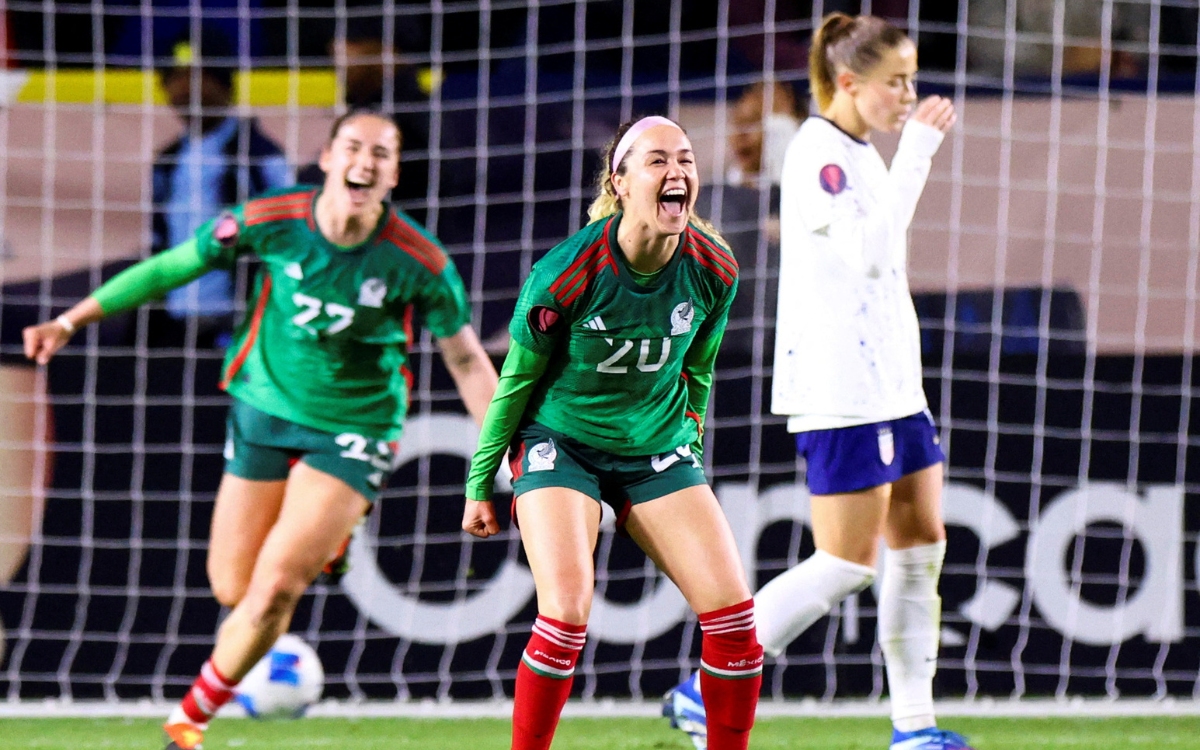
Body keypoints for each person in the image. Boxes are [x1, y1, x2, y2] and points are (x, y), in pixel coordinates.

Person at [23, 110, 499, 750]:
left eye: (381, 153)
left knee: (276, 589)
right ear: (327, 158)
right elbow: (171, 267)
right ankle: (324, 546)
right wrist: (70, 320)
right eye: (353, 147)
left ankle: (186, 724)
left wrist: (504, 451)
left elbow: (466, 361)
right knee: (233, 586)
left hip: (353, 429)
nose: (365, 161)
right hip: (263, 412)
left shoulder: (420, 260)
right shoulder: (272, 219)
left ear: (393, 174)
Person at [665, 13, 970, 750]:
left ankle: (915, 727)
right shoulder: (817, 153)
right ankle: (706, 689)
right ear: (849, 82)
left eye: (913, 80)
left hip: (894, 384)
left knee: (921, 546)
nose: (909, 95)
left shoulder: (860, 152)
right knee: (844, 564)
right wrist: (918, 153)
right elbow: (870, 253)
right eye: (896, 81)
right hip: (842, 388)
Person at [462, 116, 762, 750]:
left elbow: (698, 370)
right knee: (567, 612)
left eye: (686, 159)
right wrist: (479, 481)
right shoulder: (567, 272)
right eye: (658, 161)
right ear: (619, 183)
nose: (677, 172)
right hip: (561, 443)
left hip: (655, 447)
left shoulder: (715, 268)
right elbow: (515, 382)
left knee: (736, 624)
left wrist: (689, 451)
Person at [153, 27, 292, 348]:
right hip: (177, 321)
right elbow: (158, 241)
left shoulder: (259, 156)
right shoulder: (168, 161)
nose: (184, 89)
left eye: (196, 77)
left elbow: (285, 237)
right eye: (174, 79)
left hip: (241, 323)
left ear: (223, 83)